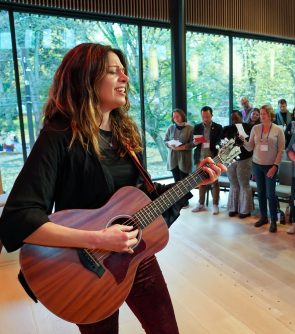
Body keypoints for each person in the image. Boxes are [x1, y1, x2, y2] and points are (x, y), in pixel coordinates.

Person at [0, 43, 225, 334]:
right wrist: (99, 238)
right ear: (86, 78)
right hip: (83, 268)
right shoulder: (59, 134)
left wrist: (194, 179)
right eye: (112, 71)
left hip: (136, 258)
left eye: (124, 72)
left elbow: (140, 198)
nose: (125, 79)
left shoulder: (125, 136)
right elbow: (19, 217)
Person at [242, 104, 285, 233]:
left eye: (264, 114)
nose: (261, 116)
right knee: (261, 193)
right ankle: (263, 217)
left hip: (271, 166)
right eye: (260, 114)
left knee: (270, 195)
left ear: (270, 115)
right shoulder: (255, 128)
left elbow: (281, 150)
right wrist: (242, 140)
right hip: (257, 164)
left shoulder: (278, 130)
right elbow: (250, 147)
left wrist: (275, 166)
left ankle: (273, 221)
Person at [192, 106, 224, 214]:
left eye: (207, 116)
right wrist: (195, 142)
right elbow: (193, 142)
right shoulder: (197, 127)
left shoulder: (218, 127)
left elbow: (220, 142)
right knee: (201, 181)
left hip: (213, 158)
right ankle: (201, 203)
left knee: (214, 182)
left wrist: (217, 146)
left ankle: (215, 204)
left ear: (212, 115)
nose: (205, 118)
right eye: (203, 116)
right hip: (200, 157)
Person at [222, 110, 254, 218]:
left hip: (244, 158)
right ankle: (233, 208)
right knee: (234, 183)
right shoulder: (227, 128)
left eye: (236, 118)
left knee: (244, 184)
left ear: (241, 117)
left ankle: (245, 210)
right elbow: (222, 142)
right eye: (232, 118)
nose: (234, 120)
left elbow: (249, 143)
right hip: (231, 159)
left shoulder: (248, 127)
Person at [164, 108, 194, 191]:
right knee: (176, 182)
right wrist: (170, 145)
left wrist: (184, 147)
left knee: (184, 182)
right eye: (174, 117)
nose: (175, 118)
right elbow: (165, 140)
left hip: (184, 159)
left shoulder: (190, 128)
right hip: (173, 159)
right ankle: (179, 201)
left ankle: (185, 199)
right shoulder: (170, 128)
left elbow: (194, 143)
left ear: (182, 116)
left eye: (177, 116)